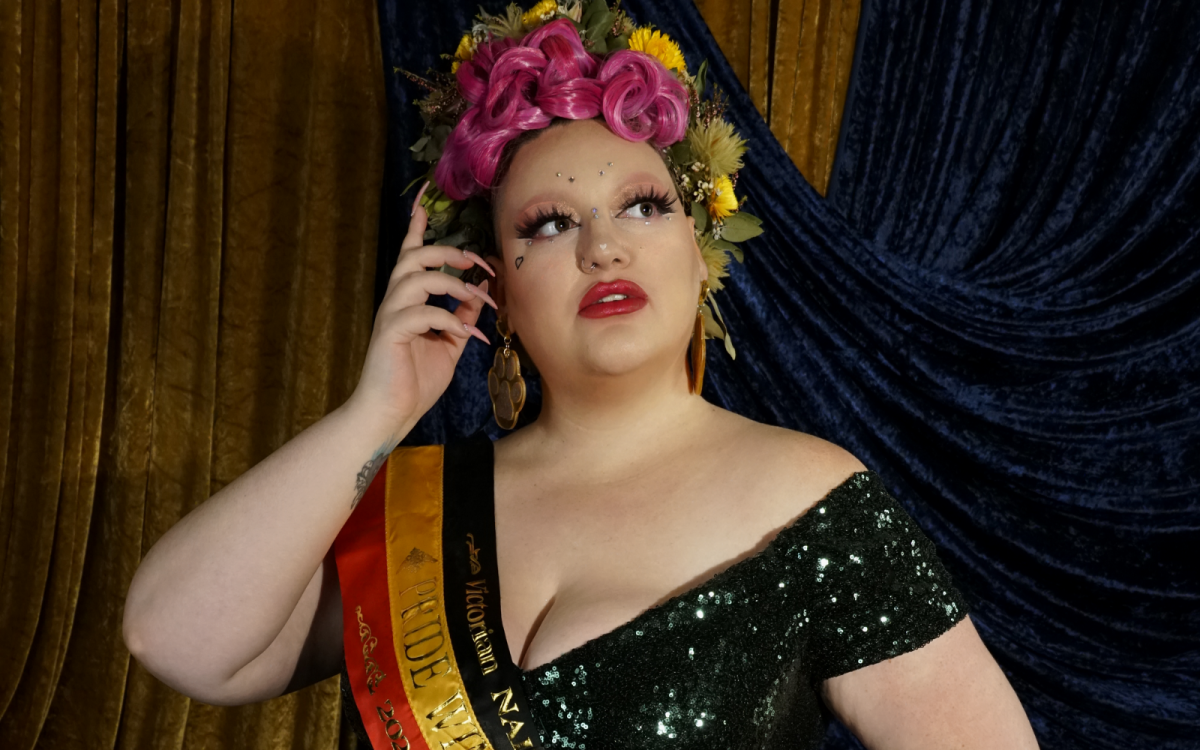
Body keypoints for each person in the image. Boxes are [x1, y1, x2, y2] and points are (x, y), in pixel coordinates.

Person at [123, 4, 1039, 748]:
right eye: (549, 226)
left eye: (642, 207)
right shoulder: (414, 510)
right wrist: (378, 412)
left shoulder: (813, 497)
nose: (604, 247)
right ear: (495, 287)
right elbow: (175, 640)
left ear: (699, 252)